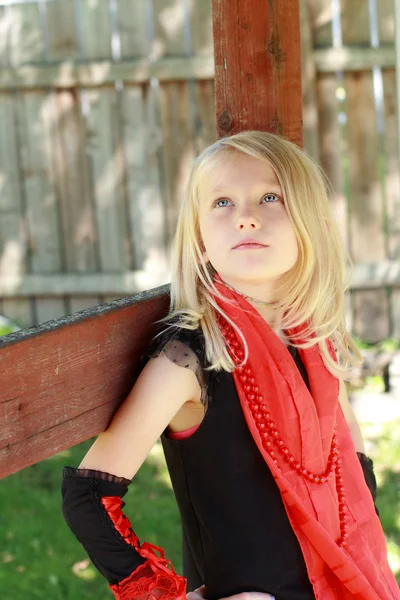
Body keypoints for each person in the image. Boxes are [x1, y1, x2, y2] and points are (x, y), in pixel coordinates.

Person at [61, 131, 400, 600]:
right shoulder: (185, 361)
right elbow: (88, 498)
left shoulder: (316, 339)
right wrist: (162, 594)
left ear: (310, 222)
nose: (245, 219)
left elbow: (355, 466)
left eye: (270, 197)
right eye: (222, 202)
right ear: (199, 237)